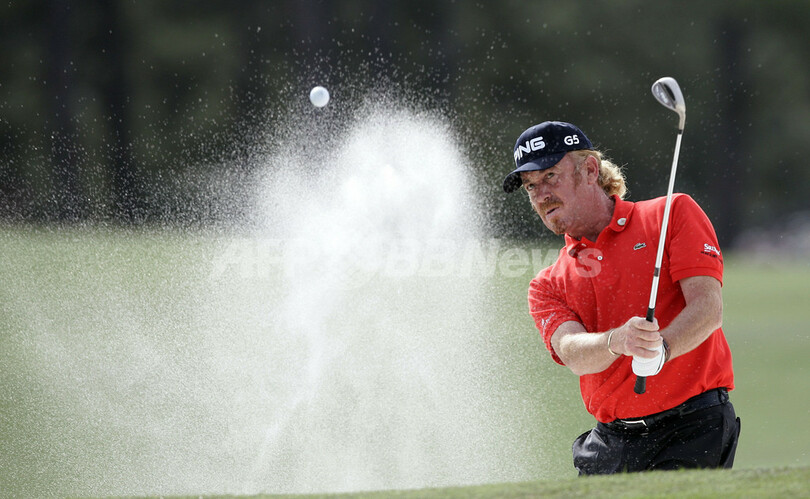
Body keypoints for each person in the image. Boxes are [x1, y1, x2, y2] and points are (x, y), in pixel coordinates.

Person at [503, 121, 740, 475]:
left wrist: (663, 349)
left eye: (550, 176)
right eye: (531, 186)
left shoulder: (671, 214)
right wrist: (617, 340)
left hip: (691, 428)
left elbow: (708, 308)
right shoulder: (546, 284)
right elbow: (571, 351)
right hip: (610, 442)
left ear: (589, 170)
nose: (541, 194)